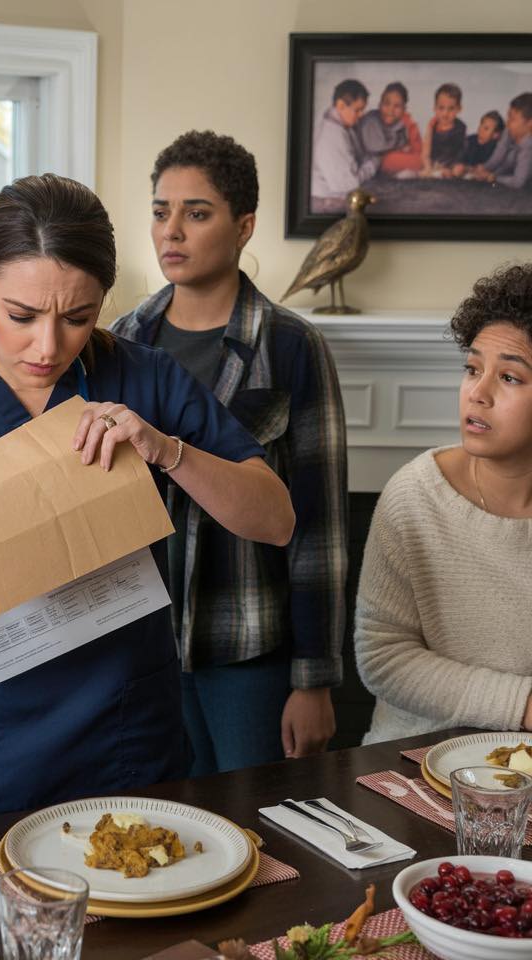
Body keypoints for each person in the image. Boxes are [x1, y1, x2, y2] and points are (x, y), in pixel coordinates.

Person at [0, 173, 295, 830]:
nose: (48, 347)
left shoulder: (145, 379)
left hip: (121, 741)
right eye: (21, 316)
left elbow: (274, 519)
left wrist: (167, 449)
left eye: (78, 317)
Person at [112, 131, 348, 775]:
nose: (173, 232)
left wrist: (315, 679)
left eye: (197, 212)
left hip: (249, 652)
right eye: (161, 211)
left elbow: (319, 527)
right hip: (143, 650)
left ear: (244, 226)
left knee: (264, 832)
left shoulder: (291, 345)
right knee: (159, 836)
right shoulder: (123, 342)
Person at [355, 263, 532, 743]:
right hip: (410, 760)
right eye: (472, 369)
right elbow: (383, 659)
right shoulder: (415, 496)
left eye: (510, 378)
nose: (478, 392)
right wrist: (523, 704)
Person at [311, 79, 380, 212]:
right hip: (329, 202)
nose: (361, 115)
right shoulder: (331, 137)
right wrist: (374, 163)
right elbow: (349, 184)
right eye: (358, 110)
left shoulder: (344, 126)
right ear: (341, 105)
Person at [357, 82, 423, 176]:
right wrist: (399, 148)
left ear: (404, 109)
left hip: (385, 160)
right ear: (379, 105)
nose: (391, 110)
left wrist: (411, 124)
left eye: (397, 106)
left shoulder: (401, 122)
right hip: (369, 160)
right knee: (417, 162)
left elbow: (417, 149)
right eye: (386, 104)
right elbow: (375, 147)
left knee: (419, 159)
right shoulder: (371, 120)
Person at [470, 94, 532, 190]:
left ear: (529, 123)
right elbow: (496, 158)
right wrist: (481, 168)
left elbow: (518, 182)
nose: (507, 122)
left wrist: (492, 177)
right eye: (508, 117)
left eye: (512, 119)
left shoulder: (528, 146)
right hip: (505, 177)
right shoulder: (508, 132)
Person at [421, 83, 467, 176]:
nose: (445, 113)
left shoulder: (460, 127)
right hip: (436, 163)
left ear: (459, 109)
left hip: (453, 163)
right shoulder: (432, 126)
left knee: (459, 169)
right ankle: (438, 172)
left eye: (451, 108)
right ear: (435, 108)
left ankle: (448, 172)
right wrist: (427, 166)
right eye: (441, 108)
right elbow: (426, 151)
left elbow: (462, 151)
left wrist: (457, 165)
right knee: (426, 171)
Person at [451, 110, 504, 176]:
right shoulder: (470, 140)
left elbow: (489, 166)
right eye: (481, 125)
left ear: (496, 135)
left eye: (486, 128)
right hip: (466, 173)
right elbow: (460, 157)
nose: (480, 129)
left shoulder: (495, 147)